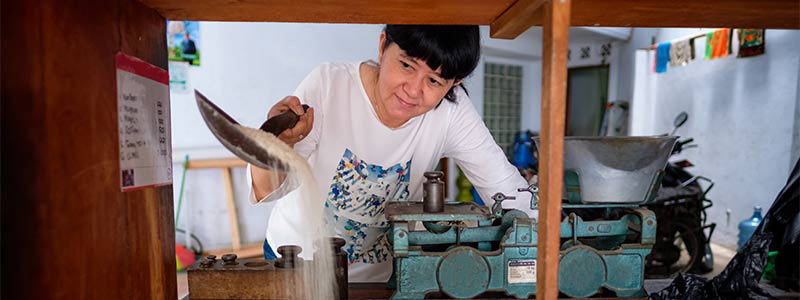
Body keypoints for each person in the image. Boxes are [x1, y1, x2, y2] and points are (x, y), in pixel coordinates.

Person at [248, 25, 533, 283]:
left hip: (377, 277)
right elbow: (270, 190)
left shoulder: (452, 113)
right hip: (297, 262)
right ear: (383, 46)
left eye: (434, 81)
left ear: (453, 84)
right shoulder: (329, 85)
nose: (413, 90)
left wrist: (562, 231)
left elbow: (510, 192)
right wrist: (281, 146)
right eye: (407, 65)